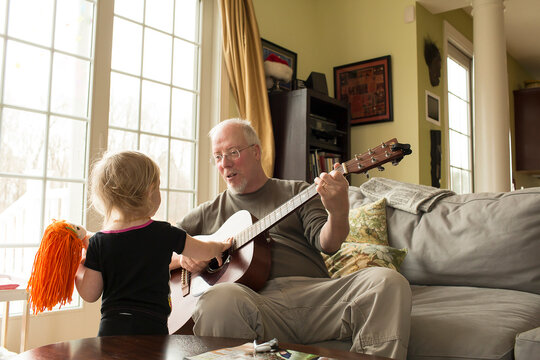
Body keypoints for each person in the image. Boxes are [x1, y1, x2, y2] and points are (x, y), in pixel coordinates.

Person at [172, 119, 411, 360]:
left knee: (387, 281)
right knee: (217, 299)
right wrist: (186, 257)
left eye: (233, 152)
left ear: (256, 151)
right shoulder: (208, 212)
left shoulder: (298, 191)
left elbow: (328, 243)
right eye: (218, 156)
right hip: (255, 304)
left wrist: (338, 212)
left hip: (316, 297)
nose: (225, 164)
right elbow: (157, 248)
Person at [75, 150, 231, 337]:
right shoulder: (164, 232)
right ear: (150, 192)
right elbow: (202, 250)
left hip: (111, 328)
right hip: (152, 327)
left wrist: (78, 267)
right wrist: (220, 247)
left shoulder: (98, 242)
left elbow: (90, 293)